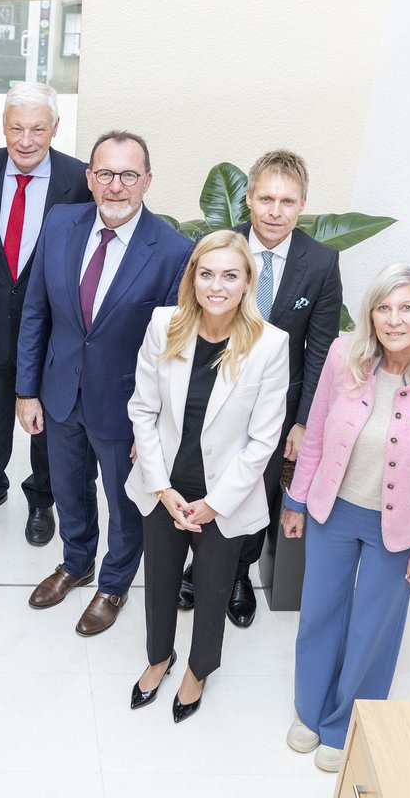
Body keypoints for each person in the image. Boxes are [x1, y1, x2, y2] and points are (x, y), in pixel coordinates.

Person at [282, 263, 410, 771]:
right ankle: (310, 710)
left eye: (407, 307)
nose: (394, 319)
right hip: (334, 510)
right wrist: (297, 501)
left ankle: (344, 723)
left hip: (399, 529)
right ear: (371, 314)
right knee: (320, 611)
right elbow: (318, 432)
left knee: (374, 628)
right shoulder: (345, 356)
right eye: (384, 307)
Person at [17, 131, 193, 636]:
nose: (116, 186)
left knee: (124, 504)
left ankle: (113, 583)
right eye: (106, 174)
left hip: (125, 408)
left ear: (147, 181)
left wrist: (154, 425)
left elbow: (172, 352)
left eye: (129, 175)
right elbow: (35, 311)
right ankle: (76, 563)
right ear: (90, 178)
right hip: (59, 395)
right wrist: (27, 390)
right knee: (69, 490)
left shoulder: (173, 251)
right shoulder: (60, 223)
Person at [125, 231, 289, 722]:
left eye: (230, 275)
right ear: (192, 276)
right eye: (207, 273)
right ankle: (159, 658)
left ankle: (198, 669)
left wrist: (215, 504)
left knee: (215, 587)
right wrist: (163, 487)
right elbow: (143, 410)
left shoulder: (269, 344)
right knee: (158, 581)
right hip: (165, 484)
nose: (217, 285)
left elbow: (264, 441)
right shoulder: (164, 325)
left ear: (246, 284)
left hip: (227, 495)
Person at [179, 149, 343, 627]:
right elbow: (186, 323)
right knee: (202, 478)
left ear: (303, 204)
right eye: (266, 198)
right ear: (248, 199)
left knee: (255, 489)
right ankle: (197, 564)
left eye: (287, 201)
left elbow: (321, 351)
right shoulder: (219, 251)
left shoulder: (321, 262)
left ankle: (237, 573)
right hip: (209, 396)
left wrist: (303, 420)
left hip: (276, 406)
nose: (275, 211)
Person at [0, 82, 91, 545]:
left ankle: (41, 497)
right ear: (3, 126)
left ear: (55, 128)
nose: (26, 140)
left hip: (55, 330)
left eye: (38, 129)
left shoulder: (79, 179)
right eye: (17, 128)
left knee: (47, 418)